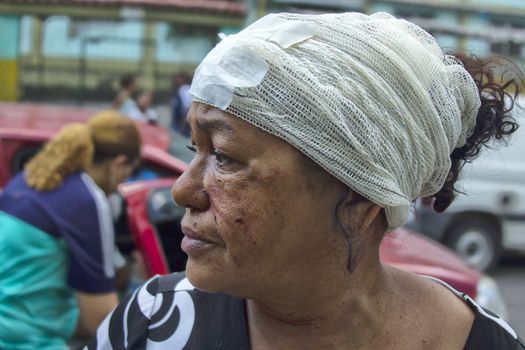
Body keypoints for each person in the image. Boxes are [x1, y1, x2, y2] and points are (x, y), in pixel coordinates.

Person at [87, 13, 524, 349]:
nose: (182, 190)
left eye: (224, 157)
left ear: (359, 198)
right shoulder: (151, 326)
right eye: (194, 149)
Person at [0, 111, 141, 349]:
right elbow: (100, 318)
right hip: (30, 342)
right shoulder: (87, 200)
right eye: (129, 171)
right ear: (117, 164)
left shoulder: (30, 179)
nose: (121, 184)